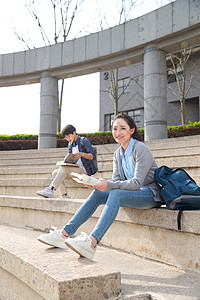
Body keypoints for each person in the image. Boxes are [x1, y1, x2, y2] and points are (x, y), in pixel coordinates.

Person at [38, 114, 163, 258]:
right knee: (98, 193)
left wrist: (108, 184)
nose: (118, 132)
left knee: (116, 194)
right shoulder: (117, 154)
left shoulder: (140, 148)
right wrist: (96, 183)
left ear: (132, 130)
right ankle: (64, 234)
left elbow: (136, 183)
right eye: (115, 129)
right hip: (132, 193)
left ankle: (91, 243)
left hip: (150, 194)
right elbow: (116, 180)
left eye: (123, 128)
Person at [37, 124, 98, 199]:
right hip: (74, 170)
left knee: (64, 168)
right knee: (55, 173)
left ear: (74, 133)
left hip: (84, 170)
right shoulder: (70, 144)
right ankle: (64, 195)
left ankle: (51, 189)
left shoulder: (84, 141)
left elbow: (92, 156)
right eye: (66, 137)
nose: (68, 139)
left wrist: (81, 154)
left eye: (69, 136)